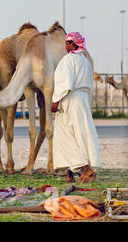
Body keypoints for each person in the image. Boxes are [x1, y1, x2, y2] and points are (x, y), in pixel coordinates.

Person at [51, 32, 102, 183]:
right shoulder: (85, 61)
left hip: (70, 99)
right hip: (83, 100)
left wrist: (56, 100)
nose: (65, 46)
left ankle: (86, 169)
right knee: (80, 134)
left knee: (67, 135)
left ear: (73, 44)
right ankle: (70, 173)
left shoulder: (68, 60)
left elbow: (65, 83)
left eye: (67, 43)